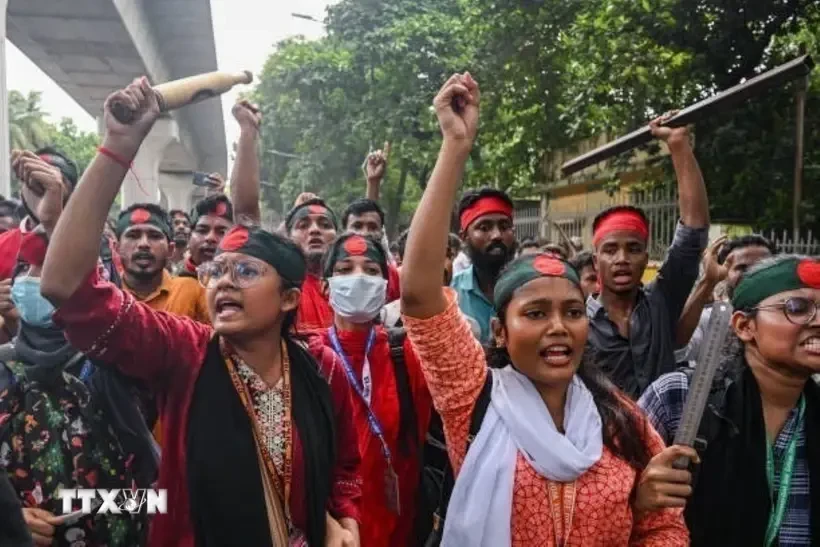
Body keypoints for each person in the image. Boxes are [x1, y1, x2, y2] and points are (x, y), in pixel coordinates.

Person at [40, 78, 361, 547]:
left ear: (289, 298)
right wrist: (119, 145)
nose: (225, 281)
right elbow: (66, 288)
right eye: (218, 271)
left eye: (247, 272)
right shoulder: (185, 353)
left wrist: (344, 523)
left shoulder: (320, 367)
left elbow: (345, 468)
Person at [399, 71, 687, 547]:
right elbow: (418, 296)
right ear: (499, 331)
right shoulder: (473, 397)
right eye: (535, 314)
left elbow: (663, 527)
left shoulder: (622, 420)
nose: (559, 328)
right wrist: (454, 147)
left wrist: (642, 508)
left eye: (572, 312)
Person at [0, 158, 149, 547]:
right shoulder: (2, 369)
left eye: (52, 268)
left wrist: (72, 512)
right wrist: (11, 519)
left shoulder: (115, 369)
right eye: (29, 269)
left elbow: (155, 496)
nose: (40, 281)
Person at [638, 254, 820, 546]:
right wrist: (637, 497)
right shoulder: (680, 399)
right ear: (744, 326)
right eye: (797, 308)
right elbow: (599, 504)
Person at [320, 233, 432, 546]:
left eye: (371, 270)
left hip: (396, 526)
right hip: (331, 529)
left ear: (386, 287)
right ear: (324, 287)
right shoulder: (307, 356)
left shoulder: (407, 354)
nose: (358, 279)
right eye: (344, 270)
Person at [587, 114, 709, 398]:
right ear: (596, 262)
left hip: (666, 441)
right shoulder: (577, 322)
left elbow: (693, 231)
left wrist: (678, 145)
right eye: (610, 250)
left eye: (633, 249)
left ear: (646, 258)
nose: (621, 258)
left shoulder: (661, 302)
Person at [675, 234, 776, 365]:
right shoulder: (708, 319)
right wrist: (708, 282)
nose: (752, 274)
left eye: (762, 267)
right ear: (725, 273)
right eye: (742, 268)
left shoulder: (792, 318)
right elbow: (677, 352)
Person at [116, 203, 209, 323]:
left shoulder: (192, 290)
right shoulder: (105, 295)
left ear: (170, 249)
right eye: (133, 236)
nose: (143, 244)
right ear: (116, 248)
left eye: (154, 236)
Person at [0, 148, 78, 281]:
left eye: (57, 182)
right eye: (35, 179)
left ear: (72, 194)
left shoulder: (91, 245)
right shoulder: (2, 245)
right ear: (21, 189)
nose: (45, 189)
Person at [450, 187, 516, 344]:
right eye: (484, 228)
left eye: (504, 226)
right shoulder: (452, 294)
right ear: (464, 236)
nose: (497, 235)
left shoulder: (531, 287)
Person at [285, 198, 339, 332]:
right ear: (288, 238)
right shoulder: (280, 287)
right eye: (303, 225)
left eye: (325, 225)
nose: (315, 230)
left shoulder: (350, 285)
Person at [340, 199, 401, 303]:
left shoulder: (392, 275)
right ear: (344, 232)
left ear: (381, 233)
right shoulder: (330, 274)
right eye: (357, 226)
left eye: (373, 227)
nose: (365, 233)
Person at [177, 194, 234, 278]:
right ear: (189, 237)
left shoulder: (247, 286)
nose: (210, 238)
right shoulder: (170, 284)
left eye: (222, 232)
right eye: (202, 231)